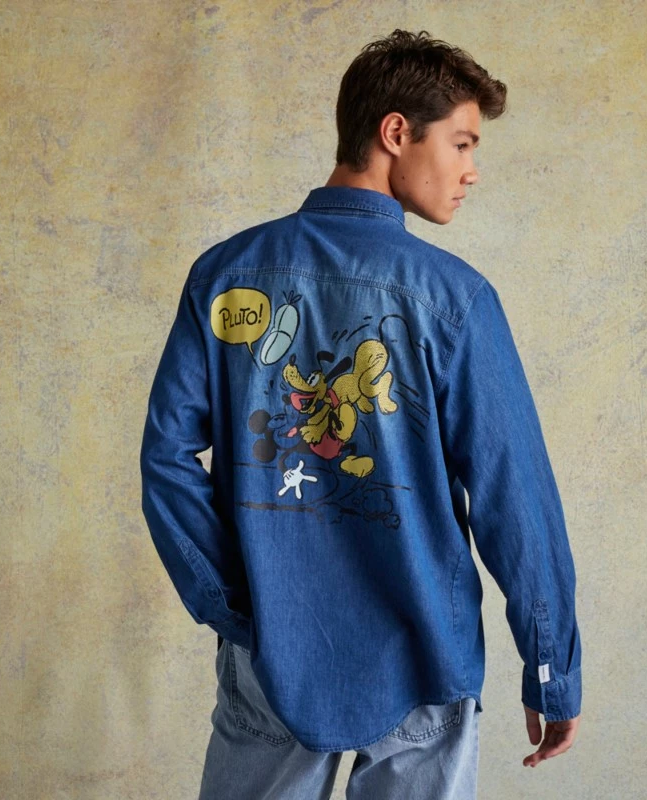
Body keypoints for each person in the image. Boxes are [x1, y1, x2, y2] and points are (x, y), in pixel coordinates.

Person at [140, 28, 582, 800]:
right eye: (462, 143)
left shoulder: (225, 275)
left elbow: (166, 457)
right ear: (396, 132)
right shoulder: (455, 299)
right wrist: (551, 667)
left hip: (272, 654)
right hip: (423, 655)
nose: (472, 171)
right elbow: (516, 497)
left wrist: (236, 605)